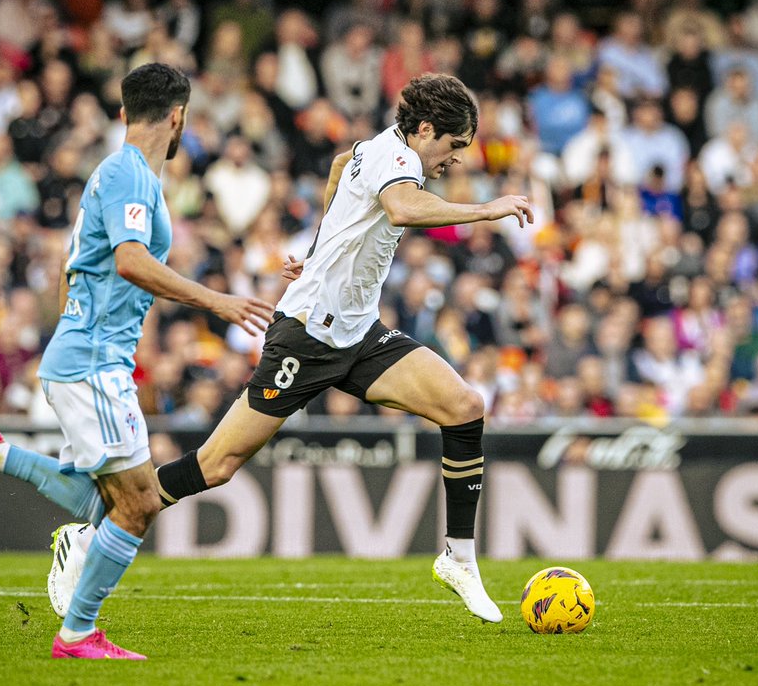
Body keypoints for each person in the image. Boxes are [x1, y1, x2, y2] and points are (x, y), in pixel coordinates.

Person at [50, 73, 533, 625]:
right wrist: (486, 209)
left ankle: (459, 558)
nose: (454, 161)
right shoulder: (396, 164)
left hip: (358, 334)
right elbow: (402, 209)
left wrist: (319, 250)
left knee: (465, 407)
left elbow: (336, 166)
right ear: (425, 130)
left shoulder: (377, 148)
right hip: (307, 337)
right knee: (217, 464)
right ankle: (90, 535)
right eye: (452, 147)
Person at [0, 63, 274, 660]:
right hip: (92, 363)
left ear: (122, 113)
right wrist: (217, 300)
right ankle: (78, 632)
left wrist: (77, 333)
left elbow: (71, 264)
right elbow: (131, 261)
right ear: (179, 116)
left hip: (86, 357)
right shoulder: (132, 176)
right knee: (136, 505)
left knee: (111, 503)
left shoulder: (116, 174)